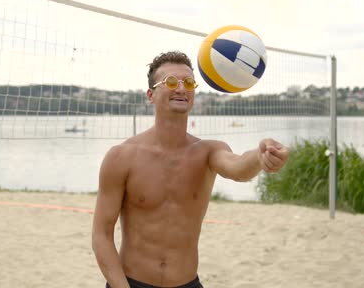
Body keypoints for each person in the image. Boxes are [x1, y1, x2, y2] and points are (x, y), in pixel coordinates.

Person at [92, 51, 289, 288]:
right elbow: (101, 234)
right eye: (171, 82)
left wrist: (261, 156)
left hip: (187, 283)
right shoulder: (121, 157)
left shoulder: (207, 152)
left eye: (188, 82)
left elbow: (238, 168)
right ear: (151, 95)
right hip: (132, 283)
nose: (181, 88)